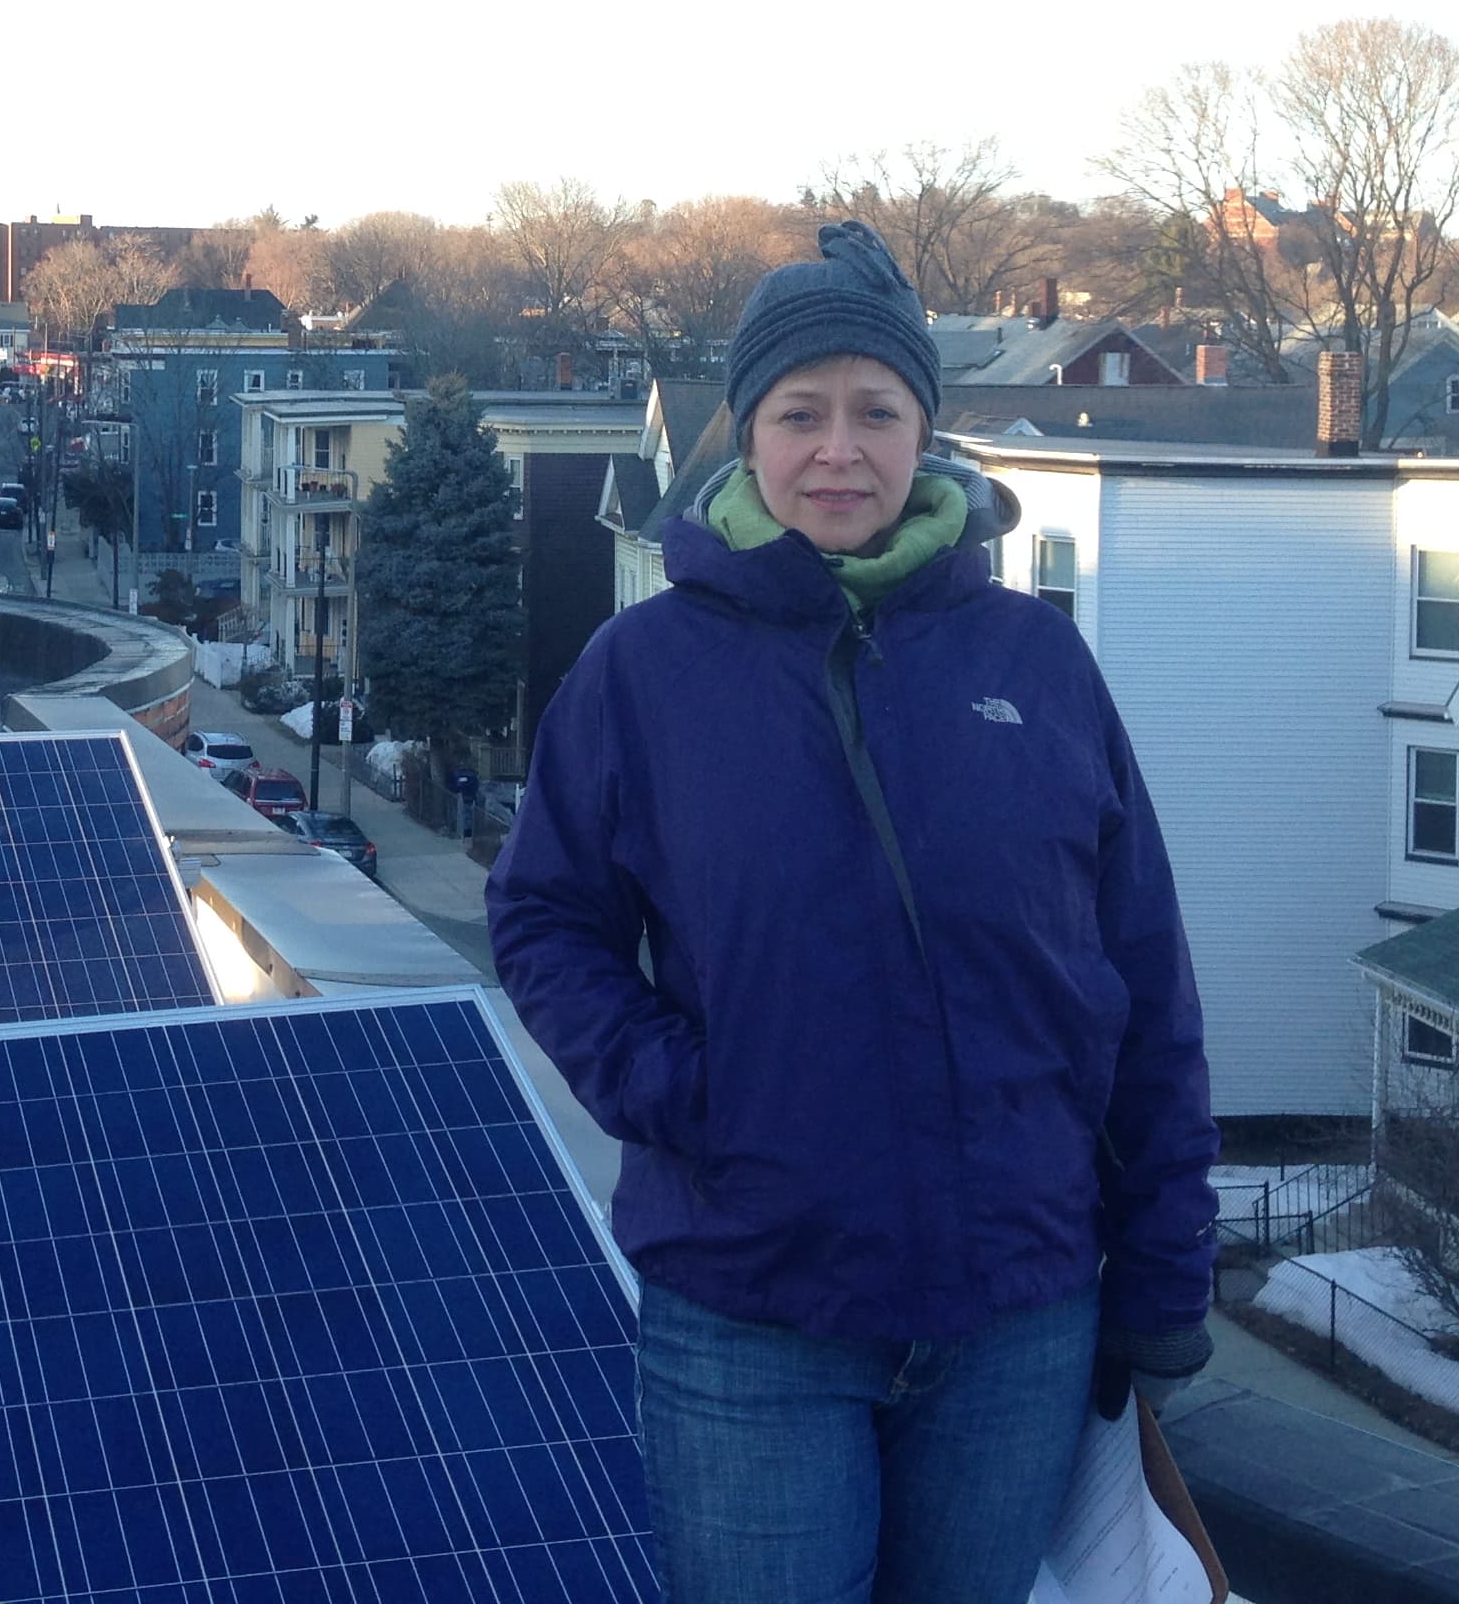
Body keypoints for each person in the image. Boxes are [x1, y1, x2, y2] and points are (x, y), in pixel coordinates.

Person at [487, 221, 1216, 1604]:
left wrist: (1166, 1265)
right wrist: (691, 1092)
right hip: (757, 1307)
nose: (840, 450)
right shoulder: (646, 671)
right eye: (799, 412)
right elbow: (542, 918)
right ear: (747, 435)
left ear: (924, 434)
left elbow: (1141, 978)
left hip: (1018, 1317)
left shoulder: (1036, 664)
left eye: (876, 411)